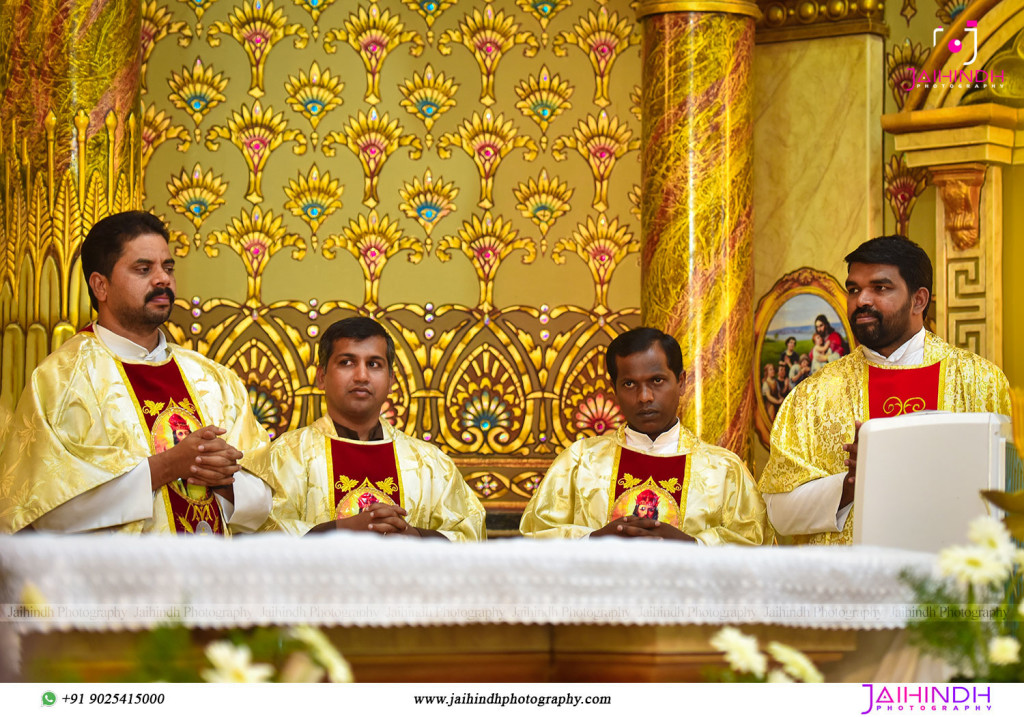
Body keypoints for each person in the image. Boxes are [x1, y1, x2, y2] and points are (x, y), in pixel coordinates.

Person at [0, 211, 274, 535]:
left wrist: (224, 483)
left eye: (168, 268)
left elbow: (265, 499)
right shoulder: (62, 380)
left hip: (211, 576)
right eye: (143, 269)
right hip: (118, 581)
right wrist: (167, 467)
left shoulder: (215, 380)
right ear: (100, 286)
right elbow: (46, 511)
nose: (163, 279)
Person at [759, 236, 1010, 545]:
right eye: (854, 289)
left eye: (880, 288)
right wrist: (851, 484)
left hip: (950, 580)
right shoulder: (813, 395)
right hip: (852, 586)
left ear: (919, 300)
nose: (861, 300)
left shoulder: (980, 381)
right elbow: (778, 513)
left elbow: (1008, 494)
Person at [520, 327, 771, 545]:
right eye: (629, 384)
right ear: (614, 389)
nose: (644, 397)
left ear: (681, 382)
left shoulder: (724, 469)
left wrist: (694, 546)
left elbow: (755, 544)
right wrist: (594, 541)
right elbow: (535, 536)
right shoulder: (579, 462)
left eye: (657, 380)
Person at [264, 317, 486, 540]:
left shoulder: (430, 464)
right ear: (322, 377)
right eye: (347, 362)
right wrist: (341, 530)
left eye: (373, 364)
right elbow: (260, 532)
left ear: (391, 381)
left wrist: (411, 535)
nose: (361, 376)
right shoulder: (286, 456)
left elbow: (471, 534)